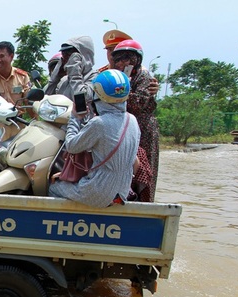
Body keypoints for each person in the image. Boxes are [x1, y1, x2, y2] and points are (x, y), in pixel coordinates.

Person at [49, 69, 140, 208]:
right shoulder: (132, 120)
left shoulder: (99, 123)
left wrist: (75, 118)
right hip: (122, 192)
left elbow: (72, 146)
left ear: (99, 96)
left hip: (99, 191)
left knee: (53, 188)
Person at [111, 39, 160, 201]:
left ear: (137, 59)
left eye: (127, 58)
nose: (122, 62)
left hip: (143, 129)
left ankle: (144, 201)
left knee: (144, 168)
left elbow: (138, 103)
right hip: (124, 127)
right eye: (118, 58)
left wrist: (114, 92)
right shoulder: (119, 77)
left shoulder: (143, 76)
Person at [45, 36, 97, 102]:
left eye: (69, 53)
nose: (65, 58)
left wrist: (74, 73)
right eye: (63, 54)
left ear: (83, 55)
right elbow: (47, 100)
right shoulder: (64, 80)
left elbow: (83, 98)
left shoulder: (94, 77)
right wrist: (55, 78)